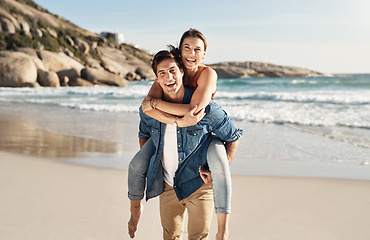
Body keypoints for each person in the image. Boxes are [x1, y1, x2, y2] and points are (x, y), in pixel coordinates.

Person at [128, 29, 237, 239]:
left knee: (220, 162)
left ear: (204, 53)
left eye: (197, 49)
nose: (169, 77)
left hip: (199, 184)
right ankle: (135, 208)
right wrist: (155, 161)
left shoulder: (208, 83)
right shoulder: (163, 81)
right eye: (187, 47)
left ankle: (223, 231)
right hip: (169, 186)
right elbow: (146, 115)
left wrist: (219, 167)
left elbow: (198, 113)